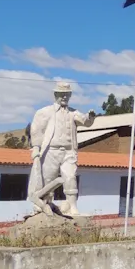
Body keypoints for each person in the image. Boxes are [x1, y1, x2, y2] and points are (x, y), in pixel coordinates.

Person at [28, 82, 95, 216]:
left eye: (67, 94)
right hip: (51, 151)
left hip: (68, 152)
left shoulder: (73, 113)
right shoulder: (44, 112)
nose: (64, 97)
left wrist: (90, 117)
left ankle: (72, 207)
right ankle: (44, 203)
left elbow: (85, 121)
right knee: (48, 179)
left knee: (70, 177)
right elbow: (36, 130)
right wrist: (36, 148)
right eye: (62, 94)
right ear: (55, 94)